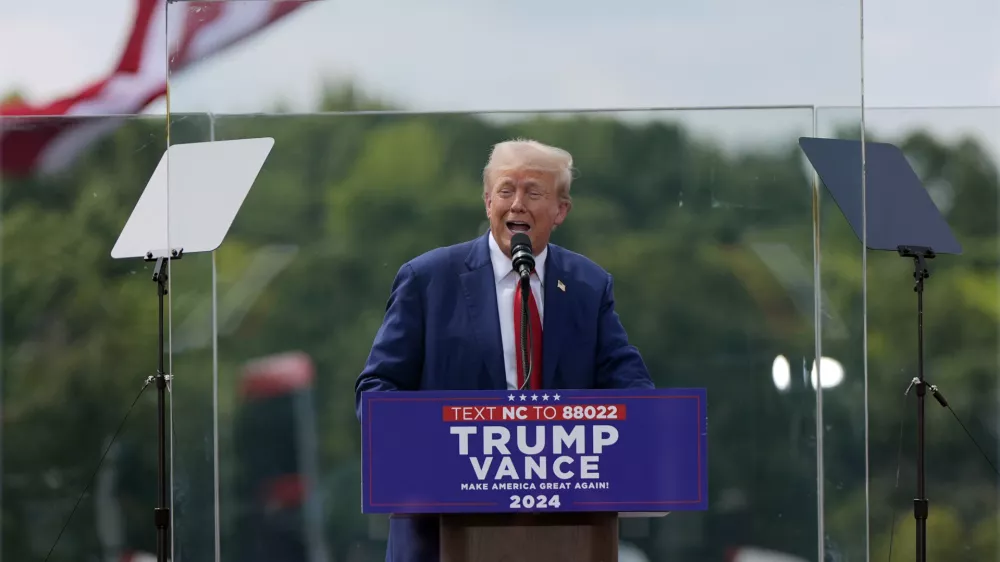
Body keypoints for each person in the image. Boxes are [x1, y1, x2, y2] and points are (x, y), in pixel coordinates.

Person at [354, 138, 653, 562]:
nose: (517, 205)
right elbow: (377, 388)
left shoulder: (588, 285)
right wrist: (430, 442)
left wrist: (648, 426)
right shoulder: (428, 280)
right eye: (506, 190)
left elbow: (630, 387)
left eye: (533, 192)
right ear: (487, 200)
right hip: (439, 537)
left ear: (561, 209)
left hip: (562, 533)